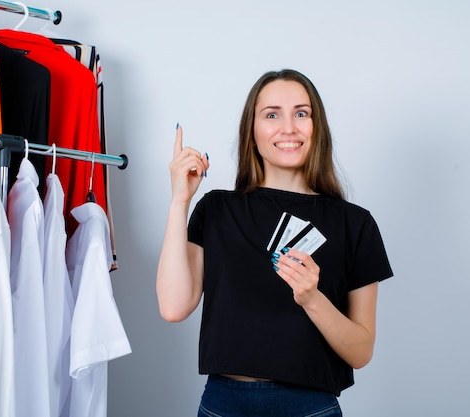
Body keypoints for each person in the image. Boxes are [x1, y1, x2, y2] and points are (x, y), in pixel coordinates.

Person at [156, 69, 393, 416]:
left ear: (317, 128)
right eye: (271, 115)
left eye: (301, 113)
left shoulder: (355, 224)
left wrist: (313, 298)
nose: (288, 128)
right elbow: (173, 307)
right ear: (252, 132)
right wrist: (180, 201)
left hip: (311, 407)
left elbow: (361, 352)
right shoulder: (218, 209)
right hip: (225, 404)